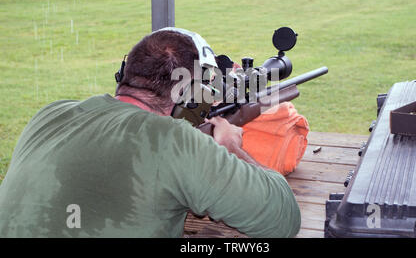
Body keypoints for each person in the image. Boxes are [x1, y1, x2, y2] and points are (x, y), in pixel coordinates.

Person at [0, 28, 300, 238]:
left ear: (125, 74)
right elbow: (282, 218)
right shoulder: (174, 141)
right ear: (189, 94)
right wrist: (231, 147)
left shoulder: (50, 114)